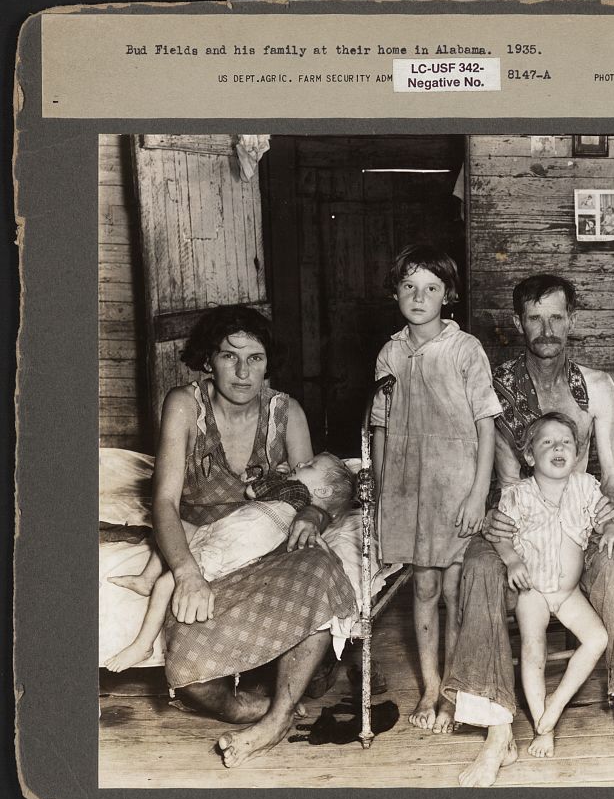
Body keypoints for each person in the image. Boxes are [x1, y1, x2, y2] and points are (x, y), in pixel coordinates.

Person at [442, 274, 614, 786]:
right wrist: (497, 520)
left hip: (581, 514)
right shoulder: (495, 385)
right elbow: (485, 467)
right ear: (519, 323)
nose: (546, 329)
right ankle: (498, 727)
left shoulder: (596, 386)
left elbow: (610, 473)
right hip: (515, 516)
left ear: (572, 320)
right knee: (476, 565)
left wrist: (607, 522)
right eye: (535, 318)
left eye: (556, 317)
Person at [149, 305, 358, 768]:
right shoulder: (185, 405)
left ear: (269, 362)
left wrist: (312, 515)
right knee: (193, 682)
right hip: (209, 553)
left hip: (268, 544)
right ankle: (254, 706)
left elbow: (316, 491)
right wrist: (185, 573)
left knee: (322, 567)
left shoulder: (288, 413)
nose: (243, 372)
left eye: (256, 358)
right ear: (209, 359)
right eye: (229, 356)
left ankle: (275, 720)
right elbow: (163, 502)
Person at [371, 244, 500, 735]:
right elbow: (380, 429)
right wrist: (386, 493)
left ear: (448, 295)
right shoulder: (390, 352)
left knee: (453, 589)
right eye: (409, 286)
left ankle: (451, 691)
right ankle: (429, 685)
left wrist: (477, 494)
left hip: (455, 485)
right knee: (422, 586)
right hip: (409, 487)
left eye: (430, 288)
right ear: (396, 293)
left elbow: (486, 424)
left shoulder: (466, 349)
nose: (418, 296)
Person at [103, 453, 355, 673]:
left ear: (322, 491)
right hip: (217, 533)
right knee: (169, 528)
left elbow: (252, 491)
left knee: (165, 584)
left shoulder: (297, 492)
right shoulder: (298, 505)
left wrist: (276, 476)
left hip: (225, 550)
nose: (301, 462)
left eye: (310, 465)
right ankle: (145, 580)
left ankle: (142, 645)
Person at [494, 413, 614, 758]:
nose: (559, 448)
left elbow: (607, 516)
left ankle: (555, 702)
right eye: (547, 442)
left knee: (598, 638)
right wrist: (512, 560)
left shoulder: (586, 486)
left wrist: (612, 531)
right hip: (534, 593)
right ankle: (544, 727)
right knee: (533, 649)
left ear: (577, 452)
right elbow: (501, 536)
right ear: (529, 456)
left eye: (566, 442)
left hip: (569, 593)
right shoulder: (518, 494)